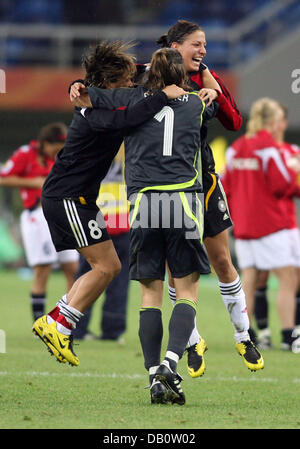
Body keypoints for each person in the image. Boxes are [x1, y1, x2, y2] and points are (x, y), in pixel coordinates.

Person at [71, 46, 221, 405]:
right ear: (182, 76)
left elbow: (91, 94)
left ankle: (154, 375)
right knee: (186, 292)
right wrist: (209, 86)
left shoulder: (133, 99)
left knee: (150, 296)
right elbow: (217, 98)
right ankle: (171, 362)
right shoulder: (197, 104)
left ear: (148, 73)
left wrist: (77, 87)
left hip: (144, 205)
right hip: (182, 202)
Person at [32, 40, 187, 367]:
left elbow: (140, 81)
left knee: (110, 266)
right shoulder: (91, 111)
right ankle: (60, 322)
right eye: (126, 82)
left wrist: (160, 68)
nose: (132, 86)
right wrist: (160, 96)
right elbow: (125, 120)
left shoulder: (98, 94)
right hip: (67, 197)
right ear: (107, 85)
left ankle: (58, 321)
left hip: (80, 198)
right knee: (107, 267)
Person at [153, 20, 261, 375]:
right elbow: (112, 83)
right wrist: (79, 84)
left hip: (205, 182)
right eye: (196, 45)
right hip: (169, 185)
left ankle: (243, 335)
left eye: (205, 46)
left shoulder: (204, 80)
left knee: (222, 260)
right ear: (175, 45)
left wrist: (211, 81)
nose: (202, 51)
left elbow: (233, 120)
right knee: (176, 267)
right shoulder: (149, 76)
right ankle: (192, 339)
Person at [222, 97, 300, 353]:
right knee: (288, 279)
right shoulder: (269, 148)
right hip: (270, 224)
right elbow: (283, 184)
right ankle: (289, 335)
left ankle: (246, 333)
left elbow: (227, 186)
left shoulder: (237, 148)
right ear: (270, 120)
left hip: (243, 226)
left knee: (250, 280)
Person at [0, 123, 79, 322]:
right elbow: (3, 178)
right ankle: (38, 321)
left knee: (73, 268)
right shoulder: (26, 154)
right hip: (37, 215)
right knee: (42, 269)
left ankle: (66, 321)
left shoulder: (64, 156)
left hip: (63, 214)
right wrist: (34, 182)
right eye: (55, 148)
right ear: (45, 143)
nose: (57, 153)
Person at [253, 104, 300, 350]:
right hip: (263, 223)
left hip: (288, 224)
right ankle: (264, 332)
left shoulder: (293, 152)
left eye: (282, 120)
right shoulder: (258, 152)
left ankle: (293, 333)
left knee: (294, 277)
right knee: (261, 277)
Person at [72, 146, 130, 342]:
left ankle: (77, 327)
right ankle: (113, 331)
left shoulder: (93, 147)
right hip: (123, 220)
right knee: (120, 280)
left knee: (86, 276)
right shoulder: (131, 148)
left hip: (94, 220)